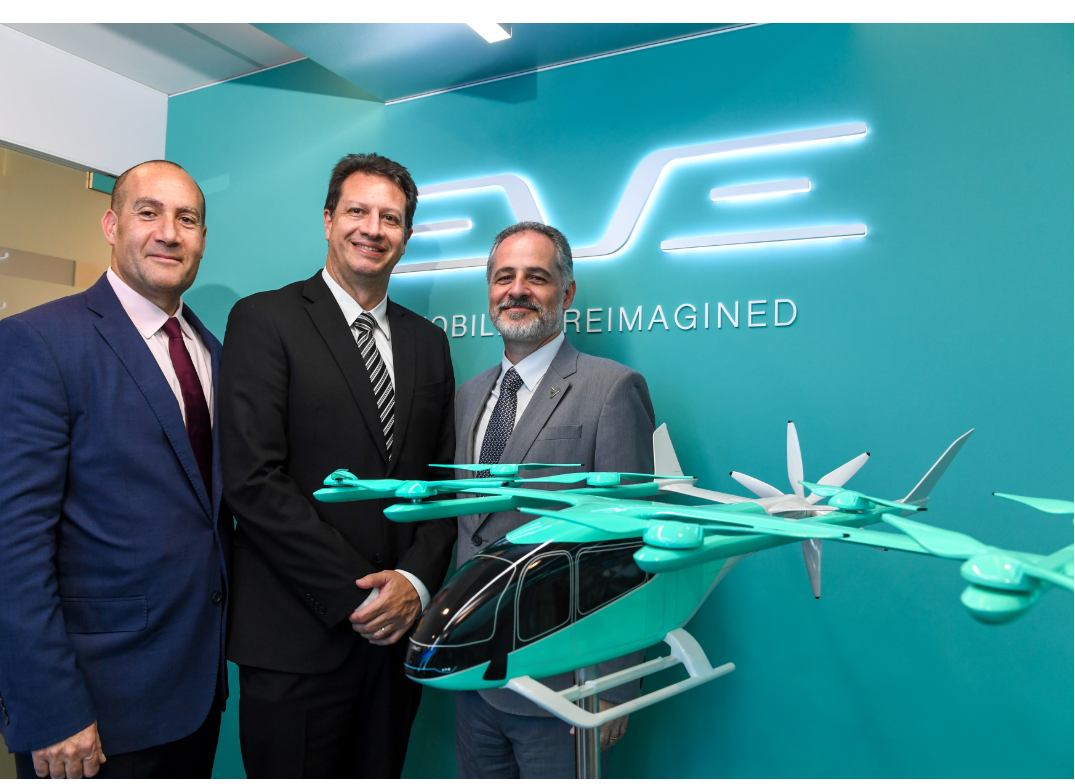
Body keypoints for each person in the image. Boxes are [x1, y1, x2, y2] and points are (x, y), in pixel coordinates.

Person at [219, 153, 457, 778]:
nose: (373, 229)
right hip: (298, 642)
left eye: (390, 218)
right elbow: (252, 479)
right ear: (328, 221)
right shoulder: (265, 319)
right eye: (357, 211)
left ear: (406, 234)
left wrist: (414, 585)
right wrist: (364, 592)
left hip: (397, 641)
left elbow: (442, 484)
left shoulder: (428, 342)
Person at [0, 161, 231, 778]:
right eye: (148, 212)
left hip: (195, 696)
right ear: (111, 224)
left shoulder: (214, 354)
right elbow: (12, 545)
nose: (169, 233)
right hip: (90, 710)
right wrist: (49, 708)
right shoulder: (38, 342)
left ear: (202, 238)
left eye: (187, 219)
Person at [452, 221, 656, 778]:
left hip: (564, 684)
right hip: (473, 674)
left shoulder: (611, 389)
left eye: (536, 277)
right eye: (504, 277)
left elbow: (628, 543)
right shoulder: (468, 396)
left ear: (566, 293)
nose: (516, 290)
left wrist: (615, 680)